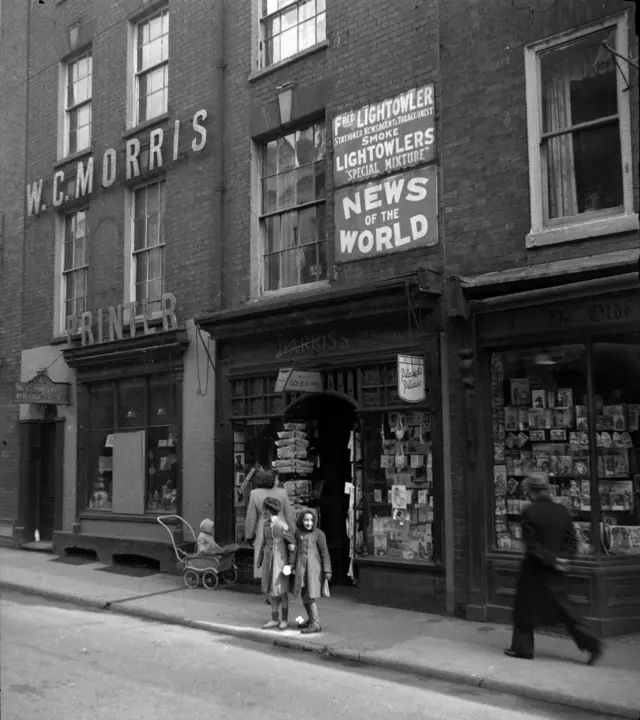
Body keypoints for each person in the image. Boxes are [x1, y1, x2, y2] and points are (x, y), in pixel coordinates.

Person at [505, 471, 603, 665]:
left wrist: (552, 559)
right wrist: (564, 559)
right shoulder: (562, 510)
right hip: (556, 571)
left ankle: (523, 648)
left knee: (523, 609)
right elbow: (571, 541)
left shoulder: (529, 512)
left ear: (530, 491)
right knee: (565, 610)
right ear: (548, 489)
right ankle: (592, 644)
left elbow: (531, 545)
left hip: (535, 570)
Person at [245, 470, 295, 585]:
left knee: (265, 559)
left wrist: (249, 534)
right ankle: (279, 586)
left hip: (263, 529)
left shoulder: (254, 494)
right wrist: (293, 531)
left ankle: (267, 588)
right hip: (281, 527)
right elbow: (289, 515)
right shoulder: (282, 493)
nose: (278, 481)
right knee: (280, 557)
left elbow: (251, 517)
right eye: (276, 479)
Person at [290, 509, 332, 634]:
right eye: (306, 520)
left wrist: (327, 570)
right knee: (304, 594)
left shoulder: (319, 534)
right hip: (300, 568)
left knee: (310, 595)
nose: (309, 523)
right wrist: (291, 565)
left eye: (311, 520)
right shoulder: (298, 533)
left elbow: (325, 553)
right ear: (301, 520)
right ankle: (311, 619)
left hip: (313, 570)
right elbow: (295, 551)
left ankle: (315, 623)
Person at [257, 496, 295, 630]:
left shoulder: (282, 526)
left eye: (264, 509)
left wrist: (290, 564)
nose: (263, 511)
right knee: (272, 592)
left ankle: (284, 619)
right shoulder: (266, 525)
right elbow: (263, 544)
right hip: (269, 562)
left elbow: (292, 544)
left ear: (269, 510)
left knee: (282, 592)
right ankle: (274, 619)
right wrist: (260, 559)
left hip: (280, 563)